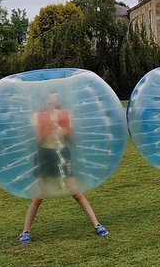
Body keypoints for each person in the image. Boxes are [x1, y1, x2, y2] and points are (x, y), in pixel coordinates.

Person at [18, 92, 108, 243]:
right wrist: (45, 132)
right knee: (39, 196)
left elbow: (71, 139)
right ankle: (25, 232)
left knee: (77, 193)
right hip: (45, 155)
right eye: (49, 99)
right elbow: (37, 142)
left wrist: (64, 132)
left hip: (63, 154)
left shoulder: (65, 115)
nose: (52, 101)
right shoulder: (38, 116)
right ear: (45, 100)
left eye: (55, 99)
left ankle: (97, 224)